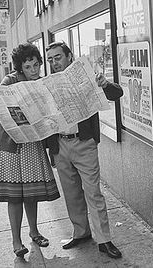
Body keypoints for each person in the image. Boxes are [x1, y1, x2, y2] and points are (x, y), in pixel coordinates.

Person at [45, 41, 124, 259]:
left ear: (69, 56)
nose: (54, 63)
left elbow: (117, 94)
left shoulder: (87, 75)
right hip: (60, 144)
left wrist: (105, 83)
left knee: (93, 193)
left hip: (84, 142)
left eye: (58, 57)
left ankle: (104, 240)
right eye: (50, 59)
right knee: (71, 194)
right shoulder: (47, 83)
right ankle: (81, 232)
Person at [0, 43, 60, 258]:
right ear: (20, 68)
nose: (34, 71)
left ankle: (34, 231)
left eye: (36, 65)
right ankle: (16, 241)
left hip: (32, 143)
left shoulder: (41, 83)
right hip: (10, 146)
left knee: (31, 193)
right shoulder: (9, 81)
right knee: (14, 196)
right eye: (28, 67)